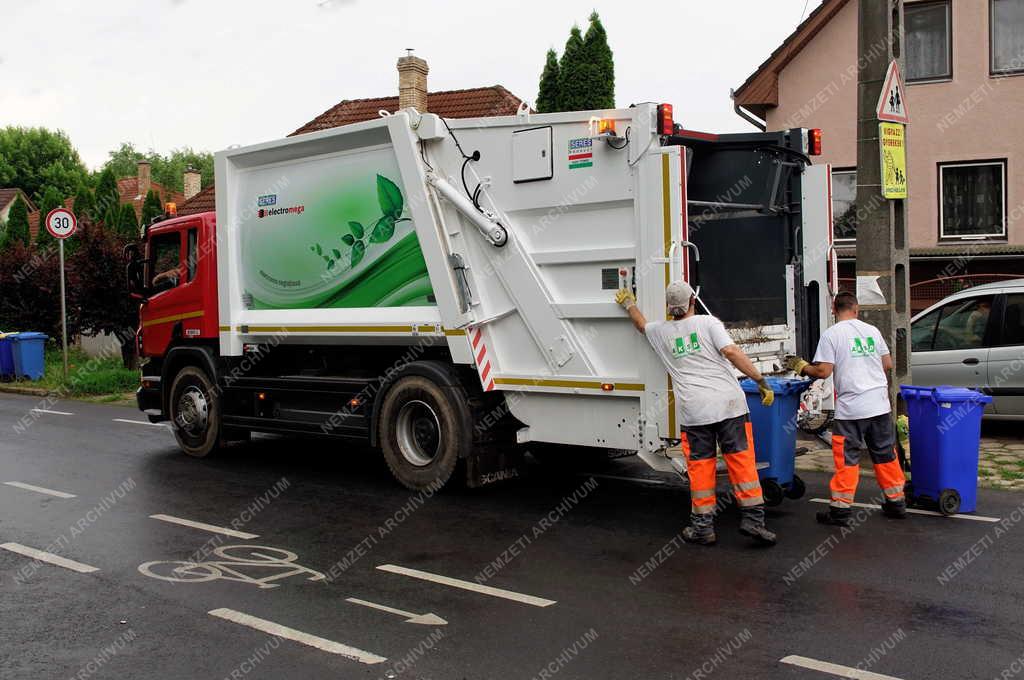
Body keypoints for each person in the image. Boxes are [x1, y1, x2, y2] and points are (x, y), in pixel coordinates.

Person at [616, 281, 777, 546]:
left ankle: (703, 528)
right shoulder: (708, 323)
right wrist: (760, 380)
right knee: (741, 463)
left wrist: (629, 304)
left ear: (670, 308)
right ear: (693, 300)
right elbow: (731, 351)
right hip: (729, 406)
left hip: (694, 411)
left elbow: (641, 325)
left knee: (701, 469)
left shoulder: (661, 332)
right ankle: (753, 522)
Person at [786, 292, 907, 526]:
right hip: (880, 405)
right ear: (856, 308)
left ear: (834, 309)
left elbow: (823, 372)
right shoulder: (872, 331)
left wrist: (802, 367)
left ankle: (840, 510)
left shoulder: (832, 335)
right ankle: (896, 501)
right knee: (885, 455)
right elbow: (887, 364)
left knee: (847, 459)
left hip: (852, 409)